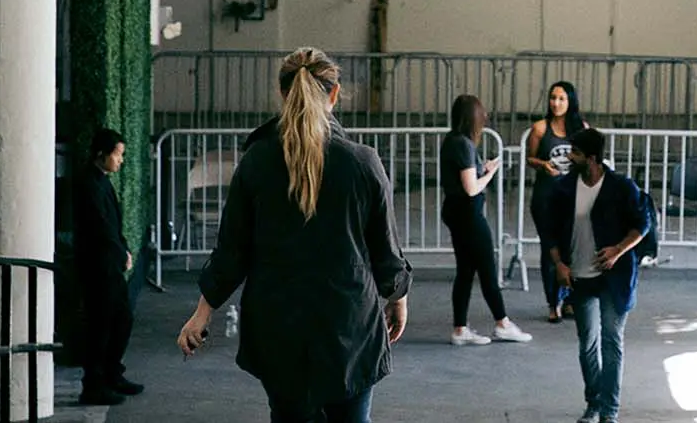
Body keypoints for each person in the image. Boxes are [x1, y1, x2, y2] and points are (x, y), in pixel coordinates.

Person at [178, 49, 410, 423]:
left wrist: (201, 314)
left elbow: (231, 250)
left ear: (283, 94)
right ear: (334, 95)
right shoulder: (362, 162)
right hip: (347, 324)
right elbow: (386, 251)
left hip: (278, 324)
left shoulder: (256, 162)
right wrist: (398, 299)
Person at [539, 128, 654, 423]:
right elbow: (549, 232)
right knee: (587, 342)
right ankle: (594, 403)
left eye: (574, 152)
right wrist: (559, 265)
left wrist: (617, 250)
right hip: (579, 276)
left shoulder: (621, 187)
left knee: (611, 340)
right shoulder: (564, 189)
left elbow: (642, 224)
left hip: (614, 277)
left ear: (590, 158)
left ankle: (609, 411)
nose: (568, 156)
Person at [440, 95, 534, 346]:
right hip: (468, 215)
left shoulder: (452, 141)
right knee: (487, 270)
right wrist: (490, 174)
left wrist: (482, 168)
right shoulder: (463, 144)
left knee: (466, 271)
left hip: (456, 212)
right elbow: (471, 188)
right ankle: (502, 323)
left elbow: (463, 177)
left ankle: (460, 329)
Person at [72, 128, 141, 405]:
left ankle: (111, 373)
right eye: (118, 154)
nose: (121, 160)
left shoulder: (100, 181)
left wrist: (122, 248)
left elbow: (112, 222)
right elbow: (99, 225)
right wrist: (119, 251)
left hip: (109, 263)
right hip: (98, 266)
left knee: (121, 319)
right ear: (102, 154)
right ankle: (94, 384)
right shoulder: (88, 184)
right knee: (101, 325)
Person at [525, 81, 587, 322]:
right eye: (553, 98)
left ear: (570, 101)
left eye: (562, 98)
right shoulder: (540, 128)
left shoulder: (580, 128)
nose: (556, 103)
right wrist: (542, 165)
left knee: (572, 248)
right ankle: (553, 303)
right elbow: (530, 158)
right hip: (545, 197)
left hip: (571, 199)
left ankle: (571, 299)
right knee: (549, 250)